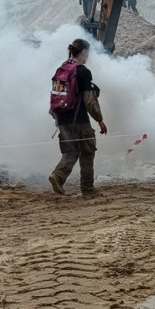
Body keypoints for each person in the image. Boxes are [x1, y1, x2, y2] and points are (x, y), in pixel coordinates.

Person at [49, 39, 107, 197]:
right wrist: (100, 120)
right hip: (79, 120)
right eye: (88, 53)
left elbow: (55, 96)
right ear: (84, 52)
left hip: (61, 119)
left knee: (71, 151)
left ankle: (58, 176)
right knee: (87, 152)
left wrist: (57, 117)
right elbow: (89, 100)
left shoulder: (62, 69)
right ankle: (88, 190)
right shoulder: (82, 71)